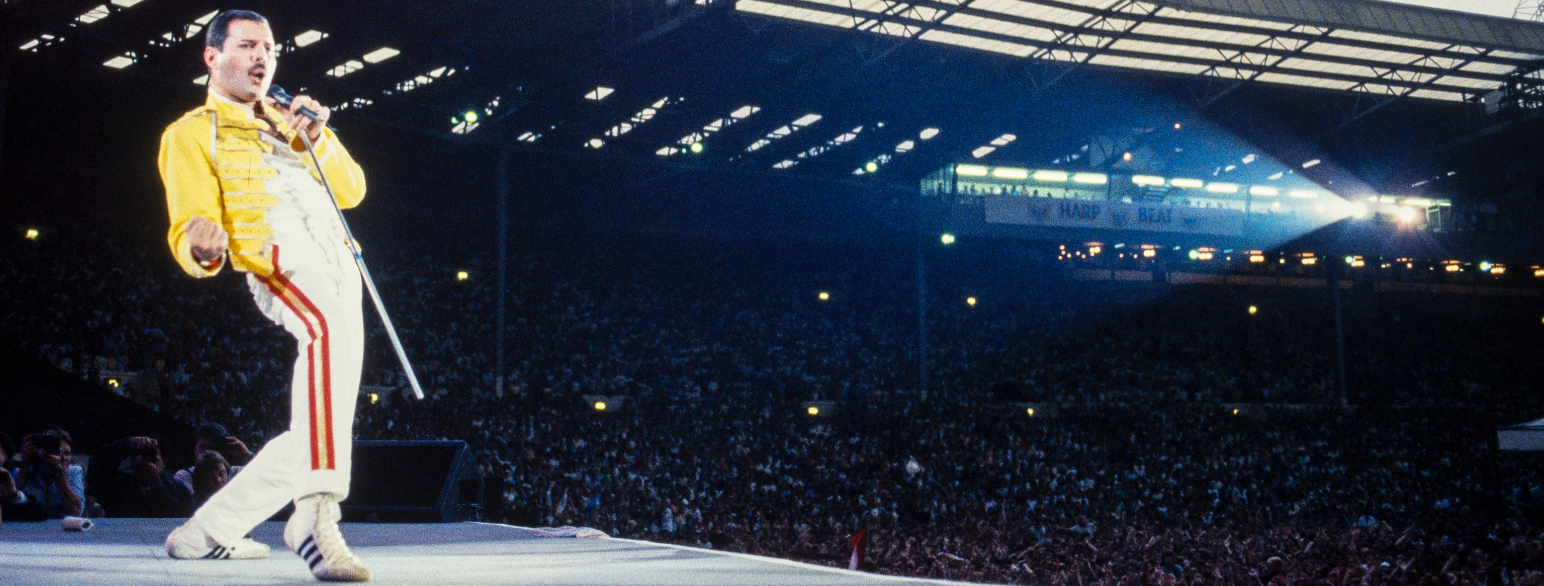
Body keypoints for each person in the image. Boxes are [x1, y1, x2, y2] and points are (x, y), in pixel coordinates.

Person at [157, 9, 372, 581]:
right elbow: (191, 222)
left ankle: (204, 534)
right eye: (248, 44)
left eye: (270, 48)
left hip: (336, 261)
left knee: (316, 427)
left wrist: (319, 138)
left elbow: (352, 190)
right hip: (280, 259)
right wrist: (201, 247)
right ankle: (314, 513)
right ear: (212, 55)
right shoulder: (189, 132)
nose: (262, 56)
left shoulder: (290, 120)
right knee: (323, 332)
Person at [89, 436, 193, 518]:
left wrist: (156, 483)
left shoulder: (178, 490)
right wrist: (127, 444)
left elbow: (176, 518)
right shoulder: (119, 485)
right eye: (144, 456)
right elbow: (97, 466)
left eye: (153, 456)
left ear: (164, 462)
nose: (148, 462)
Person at [14, 429, 84, 519]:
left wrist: (58, 473)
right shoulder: (24, 472)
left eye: (66, 453)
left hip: (62, 529)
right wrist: (24, 463)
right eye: (57, 452)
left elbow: (76, 511)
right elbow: (9, 501)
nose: (62, 458)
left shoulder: (74, 472)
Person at [173, 422, 252, 494]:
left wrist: (248, 454)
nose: (207, 452)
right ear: (195, 448)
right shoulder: (185, 477)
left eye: (212, 448)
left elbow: (262, 475)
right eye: (203, 447)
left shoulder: (233, 473)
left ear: (221, 451)